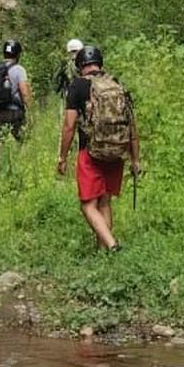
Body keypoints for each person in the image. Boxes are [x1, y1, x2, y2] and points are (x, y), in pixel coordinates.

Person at [56, 43, 138, 252]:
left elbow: (69, 126)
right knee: (104, 201)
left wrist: (62, 157)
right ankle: (103, 253)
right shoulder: (116, 84)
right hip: (117, 151)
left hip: (90, 153)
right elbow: (132, 125)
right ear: (99, 63)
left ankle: (111, 245)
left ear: (80, 65)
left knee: (87, 205)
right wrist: (135, 158)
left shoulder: (77, 86)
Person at [0, 38, 29, 180]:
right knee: (23, 141)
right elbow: (25, 92)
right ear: (18, 54)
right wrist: (30, 109)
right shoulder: (18, 69)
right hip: (14, 113)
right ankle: (19, 173)